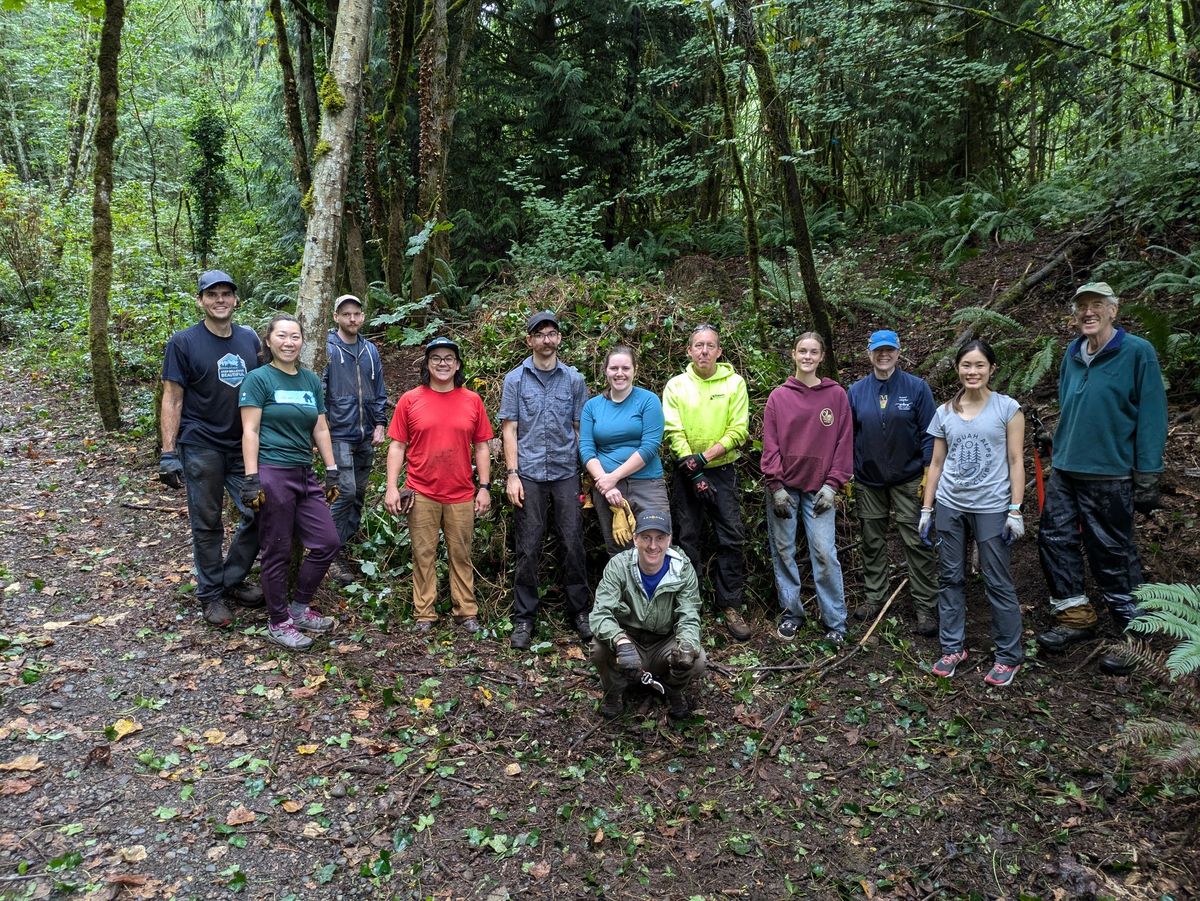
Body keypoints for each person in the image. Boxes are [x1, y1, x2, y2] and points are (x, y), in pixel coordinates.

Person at [1036, 282, 1168, 675]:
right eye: (1081, 307)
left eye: (1096, 306)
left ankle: (1136, 636)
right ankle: (1075, 615)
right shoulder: (1072, 353)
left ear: (1114, 309)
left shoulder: (1137, 352)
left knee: (1111, 551)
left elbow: (1152, 415)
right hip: (1066, 468)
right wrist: (1058, 436)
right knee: (1055, 539)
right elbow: (1071, 402)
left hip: (1111, 472)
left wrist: (1148, 472)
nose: (1088, 313)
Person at [159, 270, 263, 628]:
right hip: (201, 444)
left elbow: (265, 388)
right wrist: (168, 451)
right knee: (207, 522)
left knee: (259, 512)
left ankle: (229, 580)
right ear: (201, 300)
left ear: (236, 300)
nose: (220, 300)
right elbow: (172, 398)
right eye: (212, 294)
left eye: (226, 294)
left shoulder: (250, 339)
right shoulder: (183, 342)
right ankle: (210, 595)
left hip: (243, 446)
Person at [921, 339, 1026, 687]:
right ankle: (952, 648)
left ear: (991, 369)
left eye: (980, 365)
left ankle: (1008, 655)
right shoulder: (944, 411)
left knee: (997, 579)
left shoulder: (1007, 408)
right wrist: (927, 507)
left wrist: (1016, 509)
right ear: (957, 369)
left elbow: (1015, 460)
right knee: (950, 577)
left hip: (992, 506)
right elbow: (936, 463)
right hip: (951, 504)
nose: (973, 372)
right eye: (967, 365)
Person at [238, 314, 341, 651]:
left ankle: (298, 609)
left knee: (327, 541)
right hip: (272, 471)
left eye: (295, 336)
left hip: (303, 472)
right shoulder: (258, 379)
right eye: (281, 335)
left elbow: (321, 428)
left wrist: (332, 468)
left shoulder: (310, 380)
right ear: (268, 341)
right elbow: (250, 430)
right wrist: (252, 478)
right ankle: (278, 621)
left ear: (302, 342)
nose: (288, 342)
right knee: (277, 549)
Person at [384, 337, 493, 633]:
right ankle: (424, 613)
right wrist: (391, 487)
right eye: (436, 358)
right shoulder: (410, 399)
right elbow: (397, 446)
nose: (442, 363)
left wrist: (484, 487)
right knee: (423, 553)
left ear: (457, 365)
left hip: (461, 492)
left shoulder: (472, 400)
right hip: (421, 491)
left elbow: (482, 446)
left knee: (461, 553)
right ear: (427, 364)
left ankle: (466, 611)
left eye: (448, 358)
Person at [499, 310, 591, 649]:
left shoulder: (573, 380)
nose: (546, 340)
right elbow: (509, 429)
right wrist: (512, 475)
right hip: (530, 474)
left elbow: (581, 428)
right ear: (530, 340)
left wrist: (586, 474)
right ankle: (524, 618)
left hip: (567, 472)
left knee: (573, 543)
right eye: (539, 334)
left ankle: (580, 612)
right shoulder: (515, 380)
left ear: (559, 338)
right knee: (528, 546)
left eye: (551, 333)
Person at [661, 324, 752, 641]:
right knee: (687, 538)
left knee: (731, 537)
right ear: (689, 350)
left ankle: (730, 604)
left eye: (709, 345)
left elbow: (739, 430)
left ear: (719, 351)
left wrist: (706, 459)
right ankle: (690, 605)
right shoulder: (676, 386)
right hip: (687, 472)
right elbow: (673, 430)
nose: (703, 351)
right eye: (698, 345)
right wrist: (694, 469)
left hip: (723, 470)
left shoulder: (734, 383)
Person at [846, 329, 939, 634]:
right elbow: (848, 436)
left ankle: (925, 606)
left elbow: (930, 433)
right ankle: (875, 597)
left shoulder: (916, 388)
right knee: (872, 541)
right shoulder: (856, 391)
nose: (883, 355)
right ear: (869, 353)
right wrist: (848, 471)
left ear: (899, 352)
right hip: (869, 479)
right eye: (877, 350)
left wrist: (928, 472)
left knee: (916, 541)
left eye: (889, 350)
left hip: (909, 477)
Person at [762, 333, 853, 645]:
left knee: (825, 552)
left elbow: (844, 443)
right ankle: (792, 614)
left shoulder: (836, 395)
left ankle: (836, 623)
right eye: (802, 351)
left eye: (814, 352)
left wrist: (833, 484)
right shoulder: (779, 397)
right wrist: (774, 485)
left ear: (822, 356)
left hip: (820, 490)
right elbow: (770, 443)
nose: (808, 356)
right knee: (784, 551)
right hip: (784, 488)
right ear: (793, 354)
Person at [588, 510, 706, 722]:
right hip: (629, 640)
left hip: (664, 643)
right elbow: (601, 613)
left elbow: (689, 613)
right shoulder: (618, 566)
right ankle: (614, 692)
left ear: (669, 540)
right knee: (598, 648)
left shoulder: (682, 567)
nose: (653, 546)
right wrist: (621, 641)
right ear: (635, 539)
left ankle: (672, 689)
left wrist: (686, 645)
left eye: (660, 538)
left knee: (698, 660)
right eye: (646, 538)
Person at [580, 345, 669, 556]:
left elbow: (650, 446)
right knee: (619, 553)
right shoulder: (592, 407)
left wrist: (614, 477)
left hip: (647, 484)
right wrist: (606, 484)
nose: (620, 373)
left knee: (655, 547)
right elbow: (586, 448)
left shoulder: (649, 401)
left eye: (625, 368)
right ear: (606, 371)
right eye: (614, 368)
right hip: (607, 491)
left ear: (634, 370)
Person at [323, 294, 388, 580]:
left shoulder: (370, 350)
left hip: (365, 434)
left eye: (356, 314)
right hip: (338, 432)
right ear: (336, 317)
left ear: (362, 317)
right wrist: (320, 430)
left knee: (358, 495)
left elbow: (379, 390)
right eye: (346, 314)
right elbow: (320, 391)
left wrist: (380, 423)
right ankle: (327, 554)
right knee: (345, 491)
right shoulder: (328, 349)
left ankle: (342, 545)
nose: (352, 319)